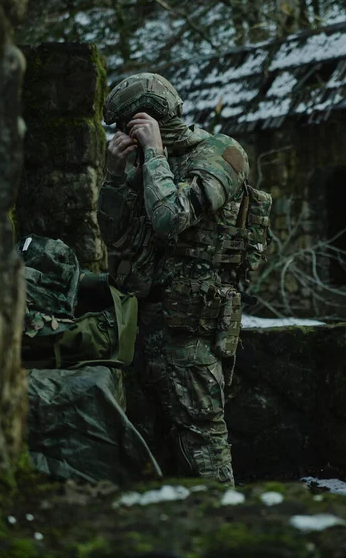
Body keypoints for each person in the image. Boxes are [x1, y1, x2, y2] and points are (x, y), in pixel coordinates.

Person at [97, 73, 250, 486]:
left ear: (146, 119)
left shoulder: (221, 153)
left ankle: (224, 526)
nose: (120, 135)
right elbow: (115, 233)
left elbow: (169, 218)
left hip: (193, 326)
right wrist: (113, 174)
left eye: (125, 126)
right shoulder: (145, 165)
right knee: (155, 437)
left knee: (201, 436)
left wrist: (154, 153)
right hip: (145, 322)